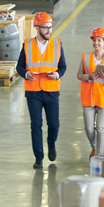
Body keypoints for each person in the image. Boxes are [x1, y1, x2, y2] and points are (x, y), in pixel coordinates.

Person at [16, 12, 67, 169]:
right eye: (45, 28)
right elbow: (19, 66)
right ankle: (38, 157)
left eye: (50, 28)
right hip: (33, 92)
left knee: (54, 125)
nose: (48, 31)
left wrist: (57, 74)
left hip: (51, 91)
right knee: (36, 125)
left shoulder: (57, 45)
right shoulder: (27, 45)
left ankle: (51, 143)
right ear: (37, 28)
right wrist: (26, 73)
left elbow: (63, 66)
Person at [77, 28, 104, 158]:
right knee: (89, 129)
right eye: (94, 40)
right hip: (88, 97)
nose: (96, 43)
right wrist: (89, 76)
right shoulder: (86, 58)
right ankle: (94, 147)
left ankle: (99, 156)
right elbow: (79, 75)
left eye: (99, 40)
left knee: (100, 128)